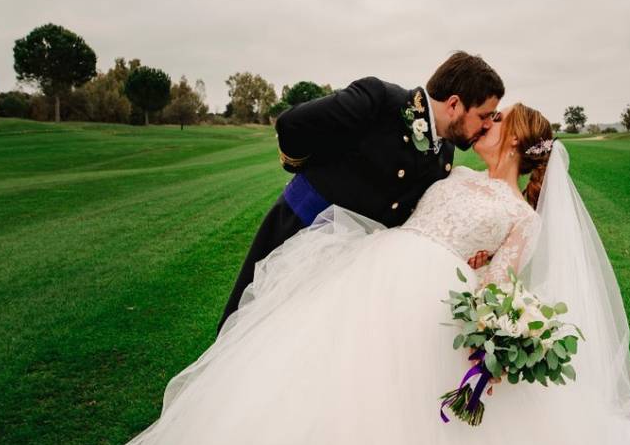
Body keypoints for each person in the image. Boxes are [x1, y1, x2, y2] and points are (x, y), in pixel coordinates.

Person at [111, 103, 630, 445]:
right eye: (487, 114)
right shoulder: (450, 171)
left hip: (431, 303)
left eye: (498, 121)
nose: (487, 122)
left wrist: (496, 334)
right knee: (323, 385)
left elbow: (499, 282)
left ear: (514, 140)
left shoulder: (522, 217)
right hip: (371, 276)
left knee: (395, 412)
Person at [216, 51, 504, 334]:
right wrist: (315, 176)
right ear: (454, 104)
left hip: (349, 271)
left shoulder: (446, 154)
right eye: (484, 115)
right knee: (249, 332)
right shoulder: (378, 100)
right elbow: (293, 124)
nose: (489, 124)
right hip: (297, 236)